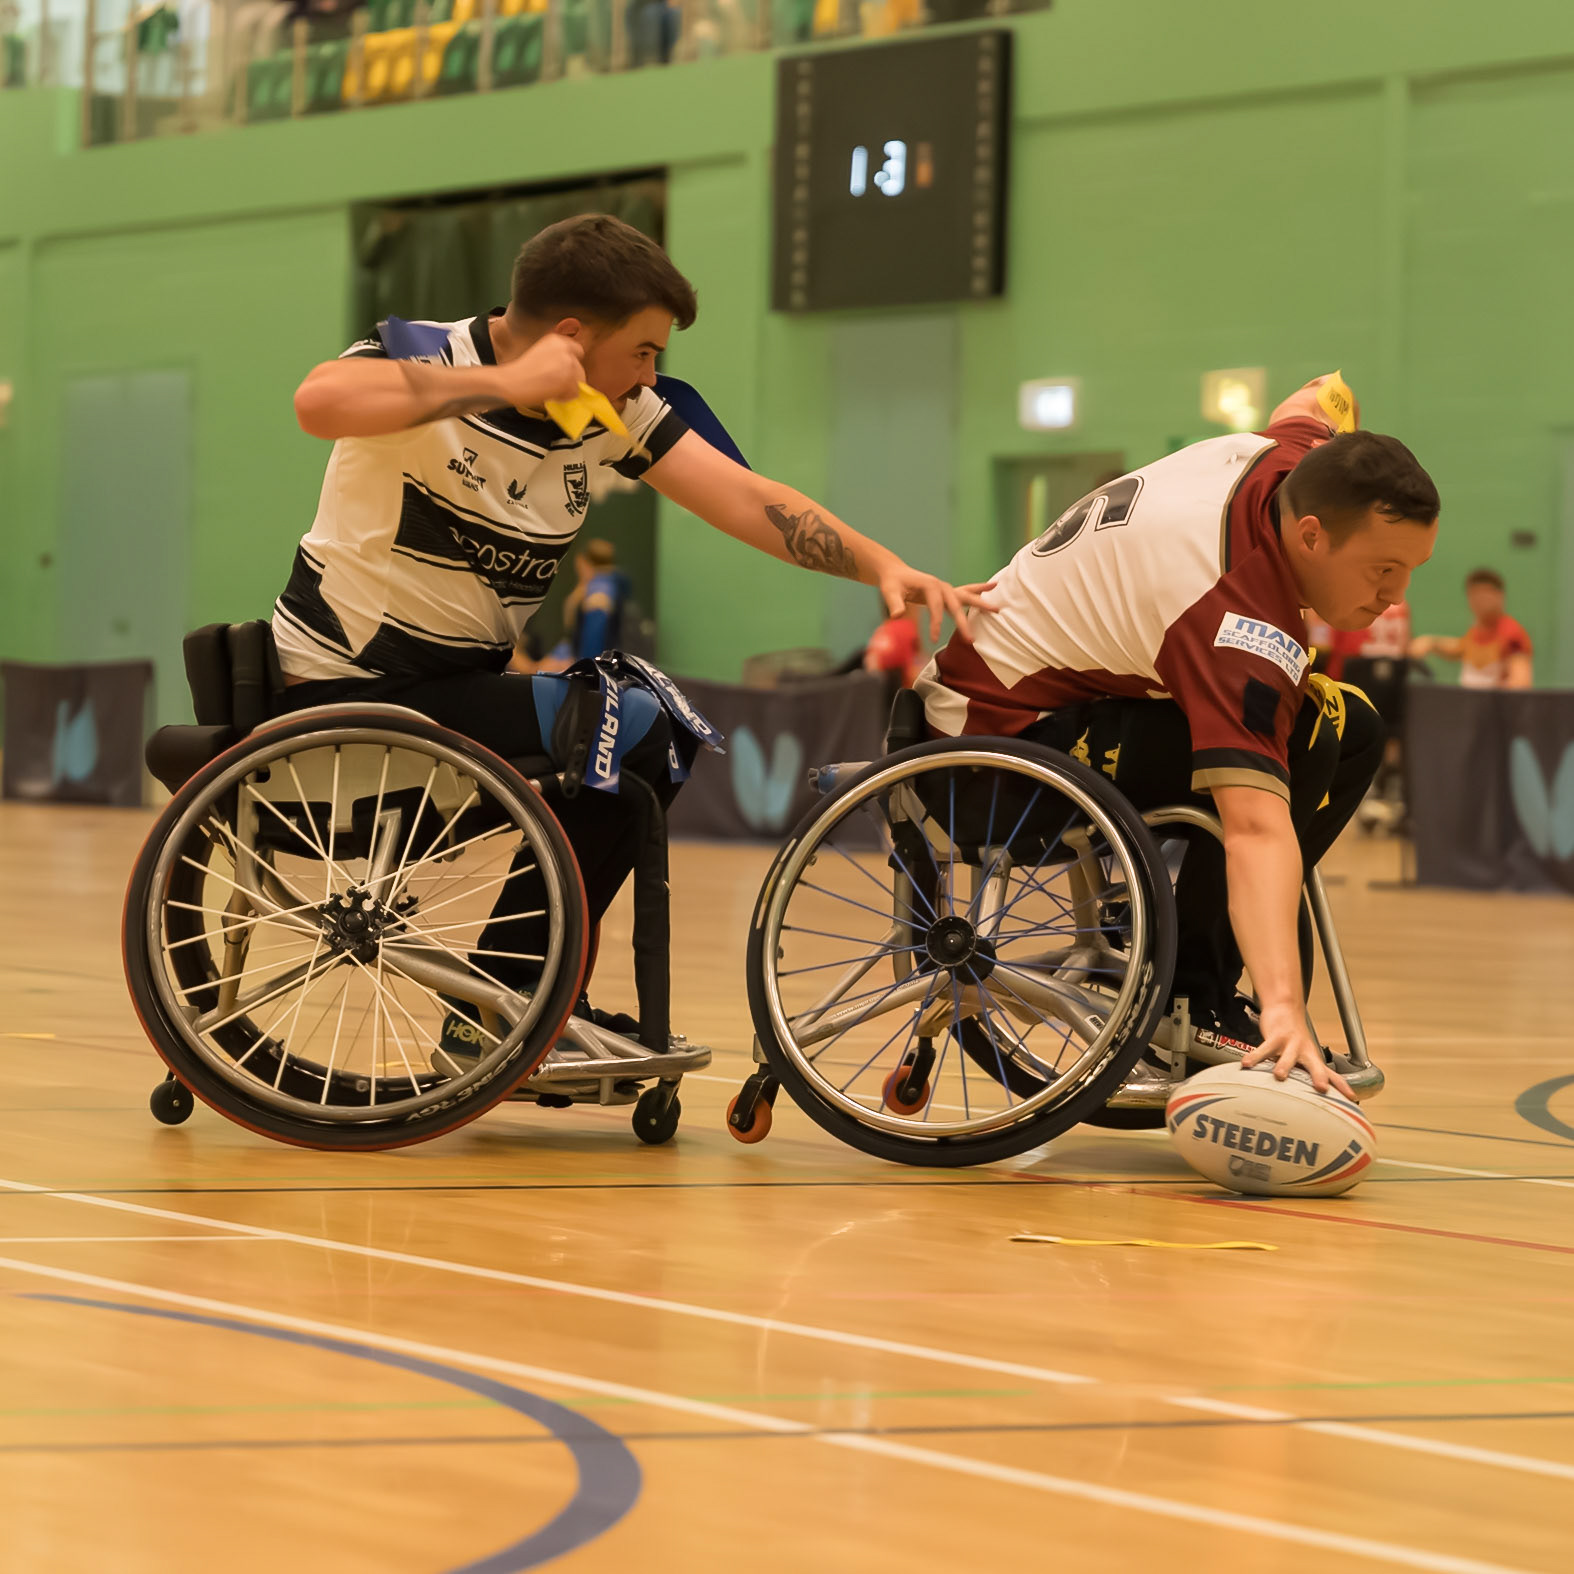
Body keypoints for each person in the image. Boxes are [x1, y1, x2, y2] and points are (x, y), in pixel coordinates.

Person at [277, 212, 987, 1049]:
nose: (652, 374)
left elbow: (745, 499)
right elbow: (317, 403)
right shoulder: (421, 352)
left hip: (452, 696)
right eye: (644, 351)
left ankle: (508, 998)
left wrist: (883, 566)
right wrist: (510, 384)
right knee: (630, 723)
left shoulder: (610, 414)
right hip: (348, 689)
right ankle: (511, 998)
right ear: (571, 337)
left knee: (653, 726)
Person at [916, 374, 1440, 1094]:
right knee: (1309, 737)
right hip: (989, 760)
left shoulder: (1297, 464)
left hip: (1041, 710)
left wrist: (1359, 448)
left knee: (1355, 727)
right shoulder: (1236, 621)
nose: (1396, 595)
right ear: (1312, 535)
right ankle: (1191, 998)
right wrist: (1283, 1006)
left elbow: (1321, 396)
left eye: (1410, 569)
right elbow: (1255, 829)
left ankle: (1183, 954)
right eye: (1383, 569)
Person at [1410, 567, 1532, 688]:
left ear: (1500, 596)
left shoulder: (1511, 634)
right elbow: (1461, 647)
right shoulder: (1476, 631)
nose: (1479, 602)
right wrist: (1431, 643)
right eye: (1474, 595)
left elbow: (1520, 683)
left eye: (1485, 595)